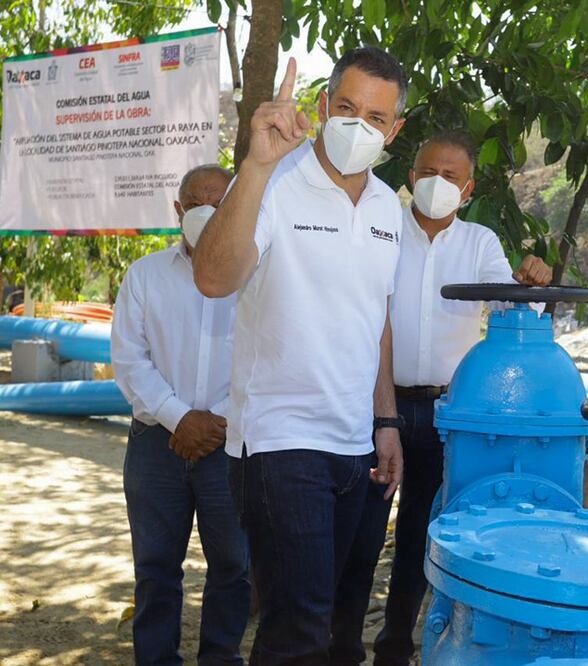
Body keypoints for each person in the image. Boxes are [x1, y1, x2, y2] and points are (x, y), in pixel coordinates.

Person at [192, 46, 406, 664]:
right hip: (279, 442)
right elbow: (212, 277)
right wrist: (255, 169)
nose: (358, 126)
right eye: (346, 107)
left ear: (394, 130)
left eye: (375, 117)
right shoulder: (273, 184)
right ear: (320, 106)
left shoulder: (389, 206)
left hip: (353, 447)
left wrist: (386, 420)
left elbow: (377, 318)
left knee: (325, 621)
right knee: (299, 635)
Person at [330, 130, 552, 666]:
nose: (437, 183)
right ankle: (338, 649)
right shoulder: (380, 229)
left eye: (451, 176)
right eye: (428, 171)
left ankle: (394, 648)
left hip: (444, 413)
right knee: (359, 532)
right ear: (410, 175)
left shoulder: (480, 244)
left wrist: (533, 284)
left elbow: (511, 310)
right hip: (374, 404)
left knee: (419, 537)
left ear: (468, 188)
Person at [112, 164, 250, 665]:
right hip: (157, 445)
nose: (208, 213)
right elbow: (129, 361)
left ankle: (220, 658)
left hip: (230, 444)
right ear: (178, 211)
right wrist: (180, 419)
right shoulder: (145, 275)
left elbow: (267, 359)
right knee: (155, 568)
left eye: (220, 203)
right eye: (196, 204)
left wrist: (214, 421)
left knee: (234, 567)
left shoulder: (256, 277)